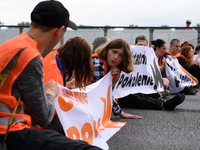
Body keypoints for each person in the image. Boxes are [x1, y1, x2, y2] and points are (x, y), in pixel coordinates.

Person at [0, 1, 101, 150]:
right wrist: (50, 92)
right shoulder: (30, 57)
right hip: (8, 131)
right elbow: (43, 117)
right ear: (59, 31)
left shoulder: (12, 44)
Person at [92, 38, 185, 111]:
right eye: (114, 52)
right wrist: (120, 112)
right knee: (130, 97)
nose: (116, 57)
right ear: (107, 50)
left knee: (133, 93)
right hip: (90, 100)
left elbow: (109, 89)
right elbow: (103, 92)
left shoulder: (111, 65)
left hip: (96, 97)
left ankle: (162, 102)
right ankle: (163, 104)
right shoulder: (97, 62)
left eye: (120, 55)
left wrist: (115, 81)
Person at [43, 36, 94, 134]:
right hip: (41, 126)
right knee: (77, 116)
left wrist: (68, 86)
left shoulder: (56, 56)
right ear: (76, 60)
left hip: (42, 119)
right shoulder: (52, 72)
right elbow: (48, 108)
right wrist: (69, 92)